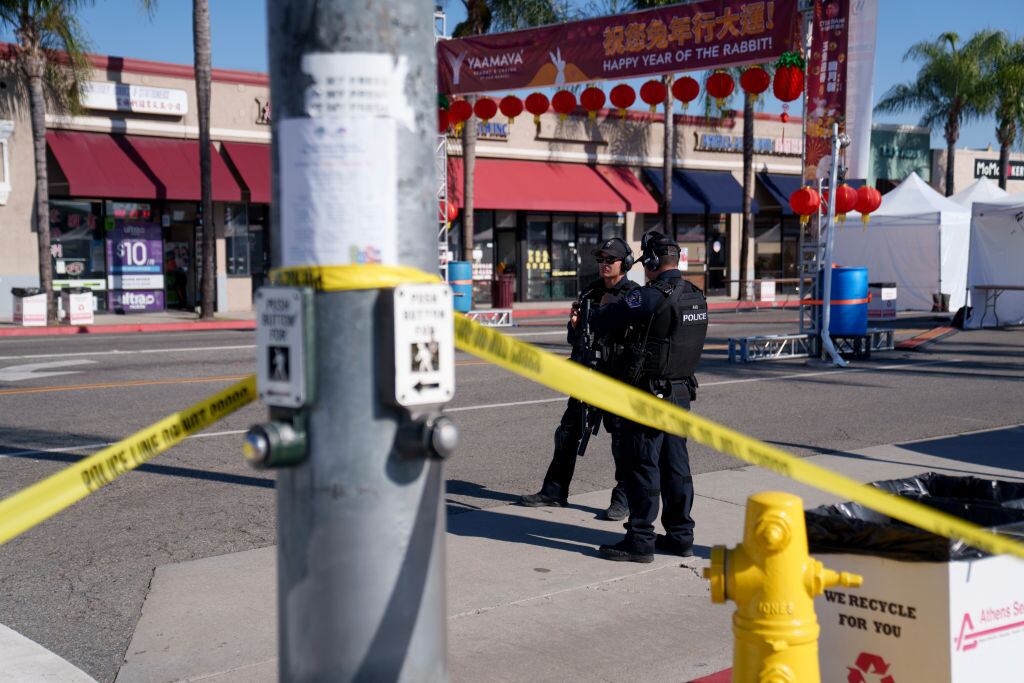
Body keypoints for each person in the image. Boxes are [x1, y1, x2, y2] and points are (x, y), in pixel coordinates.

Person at [590, 231, 708, 563]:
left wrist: (600, 311)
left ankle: (640, 539)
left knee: (643, 465)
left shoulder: (652, 296)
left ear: (653, 261)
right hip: (681, 393)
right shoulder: (695, 295)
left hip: (650, 395)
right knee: (677, 466)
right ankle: (681, 535)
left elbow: (608, 320)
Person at [519, 237, 640, 520]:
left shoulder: (633, 295)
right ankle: (554, 490)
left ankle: (623, 498)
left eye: (610, 260)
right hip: (586, 375)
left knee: (621, 441)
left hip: (615, 379)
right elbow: (575, 337)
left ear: (626, 264)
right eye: (600, 260)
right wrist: (575, 325)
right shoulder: (590, 292)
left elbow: (635, 339)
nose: (604, 265)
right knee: (567, 433)